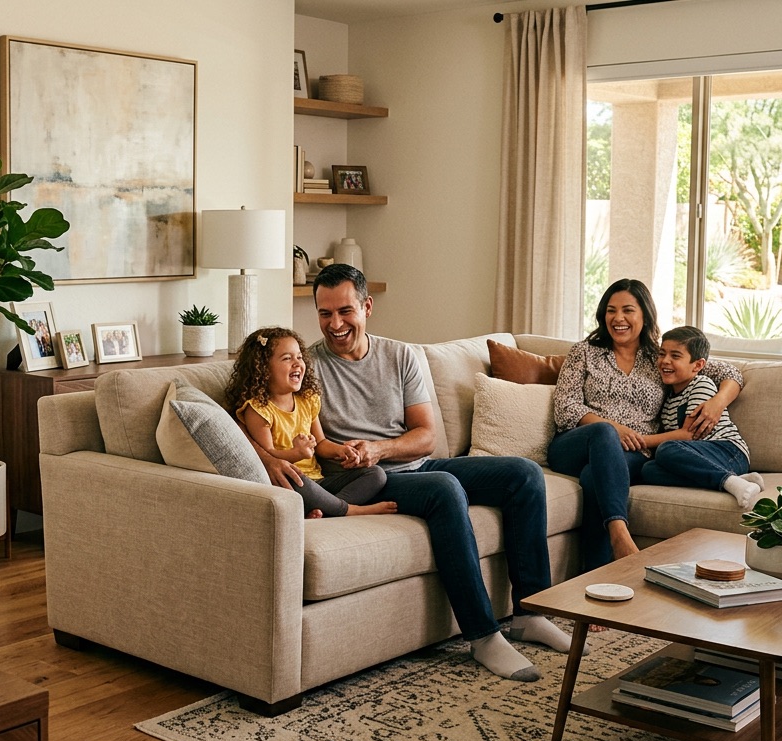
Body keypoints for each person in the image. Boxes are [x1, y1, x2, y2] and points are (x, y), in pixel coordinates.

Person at [253, 264, 576, 683]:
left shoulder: (400, 355)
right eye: (324, 313)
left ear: (367, 307)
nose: (334, 324)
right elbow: (260, 412)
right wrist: (269, 457)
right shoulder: (306, 366)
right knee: (443, 489)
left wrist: (379, 448)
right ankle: (483, 636)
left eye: (345, 311)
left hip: (414, 463)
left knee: (523, 474)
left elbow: (426, 437)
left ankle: (529, 612)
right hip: (362, 484)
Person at [549, 279, 745, 572]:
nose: (618, 318)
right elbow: (566, 406)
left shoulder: (659, 356)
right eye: (611, 310)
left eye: (628, 310)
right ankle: (620, 536)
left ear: (644, 315)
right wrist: (614, 428)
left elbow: (730, 372)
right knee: (604, 432)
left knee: (593, 478)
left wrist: (717, 403)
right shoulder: (585, 352)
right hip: (577, 443)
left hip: (631, 455)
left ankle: (596, 581)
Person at [226, 325, 397, 519]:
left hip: (320, 481)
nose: (297, 363)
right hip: (293, 483)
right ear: (263, 368)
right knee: (296, 480)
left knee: (376, 474)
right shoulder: (258, 409)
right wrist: (296, 453)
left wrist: (341, 451)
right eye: (287, 358)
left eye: (299, 356)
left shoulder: (307, 399)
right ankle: (349, 510)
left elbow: (321, 443)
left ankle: (325, 510)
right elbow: (268, 457)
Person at [640, 326, 764, 509]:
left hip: (729, 451)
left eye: (675, 356)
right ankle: (733, 479)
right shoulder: (668, 398)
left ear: (697, 365)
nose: (665, 361)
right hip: (708, 459)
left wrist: (641, 440)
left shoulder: (701, 384)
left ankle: (730, 480)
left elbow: (689, 435)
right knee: (648, 471)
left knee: (666, 449)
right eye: (662, 354)